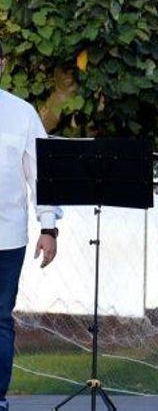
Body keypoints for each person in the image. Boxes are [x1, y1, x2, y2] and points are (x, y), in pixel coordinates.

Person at [0, 41, 63, 411]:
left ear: (3, 63)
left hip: (6, 237)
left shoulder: (21, 114)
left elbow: (42, 174)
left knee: (0, 320)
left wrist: (49, 227)